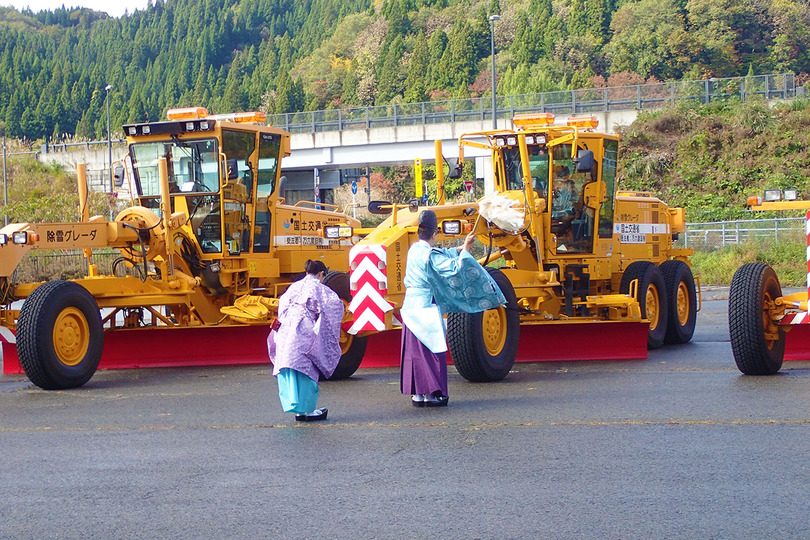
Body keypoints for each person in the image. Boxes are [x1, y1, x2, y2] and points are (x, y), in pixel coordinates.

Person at [400, 210, 506, 407]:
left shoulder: (414, 250)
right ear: (434, 234)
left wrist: (463, 246)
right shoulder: (430, 255)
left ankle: (418, 395)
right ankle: (432, 394)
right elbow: (453, 267)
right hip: (425, 309)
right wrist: (466, 254)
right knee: (431, 352)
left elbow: (442, 253)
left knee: (414, 352)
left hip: (410, 307)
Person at [267, 259, 344, 422]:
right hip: (303, 330)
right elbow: (333, 307)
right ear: (322, 274)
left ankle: (299, 411)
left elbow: (282, 305)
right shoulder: (320, 288)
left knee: (290, 366)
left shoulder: (293, 287)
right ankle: (307, 411)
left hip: (285, 329)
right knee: (305, 369)